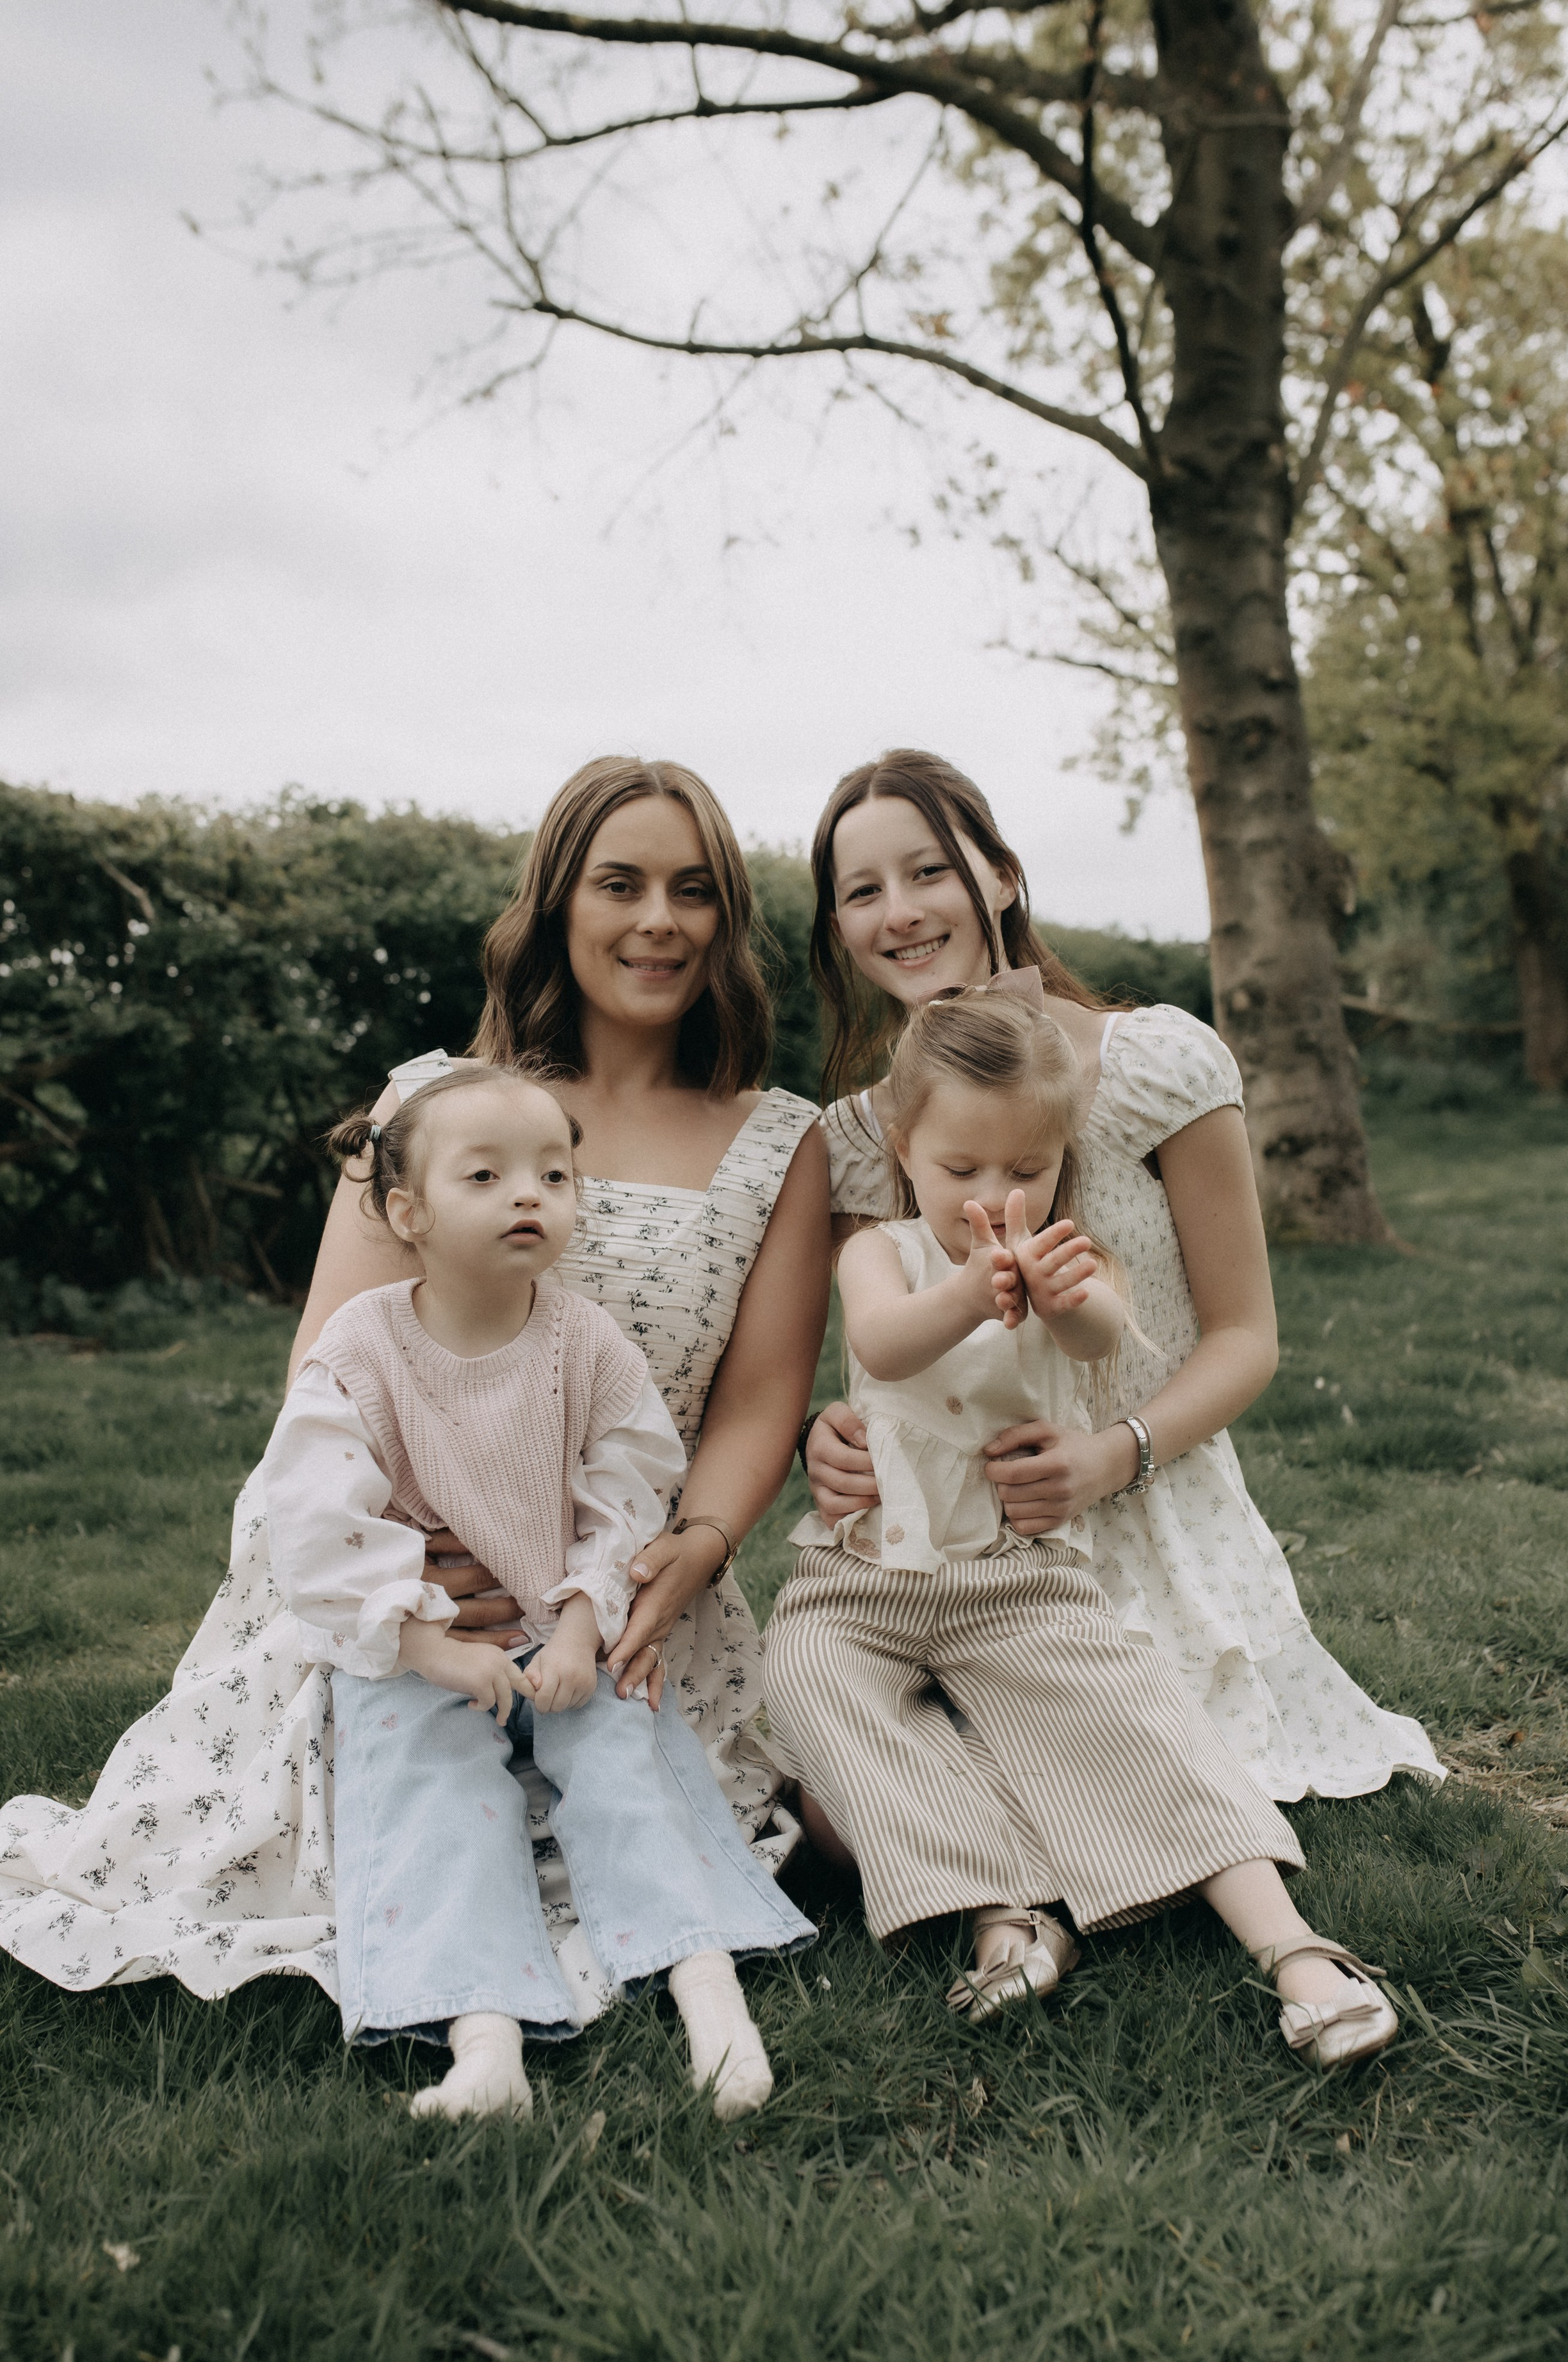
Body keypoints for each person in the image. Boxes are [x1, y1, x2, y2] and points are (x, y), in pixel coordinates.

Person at [0, 757, 830, 2019]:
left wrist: (694, 1548)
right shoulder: (428, 1102)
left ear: (726, 923)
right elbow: (329, 1370)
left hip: (620, 1563)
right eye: (620, 883)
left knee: (623, 1770)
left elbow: (761, 1399)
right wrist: (423, 1577)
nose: (658, 919)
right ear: (556, 905)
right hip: (400, 1542)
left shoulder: (780, 1137)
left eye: (694, 889)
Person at [763, 991, 1396, 2073]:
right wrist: (971, 1287)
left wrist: (1058, 1299)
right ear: (907, 1151)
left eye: (1028, 1169)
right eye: (963, 1171)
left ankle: (1295, 1953)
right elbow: (886, 1341)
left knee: (1138, 1716)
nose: (997, 1198)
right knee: (806, 1678)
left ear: (1062, 1156)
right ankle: (1001, 1910)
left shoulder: (1076, 1258)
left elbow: (1102, 1332)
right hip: (865, 1577)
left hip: (1020, 1578)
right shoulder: (879, 1252)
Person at [800, 748, 1444, 1808]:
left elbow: (1244, 1336)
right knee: (857, 1804)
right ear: (841, 928)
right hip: (961, 1536)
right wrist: (831, 1432)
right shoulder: (869, 1135)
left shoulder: (1155, 1065)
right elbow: (897, 1339)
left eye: (927, 872)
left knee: (1128, 1791)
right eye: (862, 892)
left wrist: (1111, 1457)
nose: (900, 912)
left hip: (1150, 1510)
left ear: (1002, 876)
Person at [267, 1061, 812, 2121]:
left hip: (557, 1618)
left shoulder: (581, 1338)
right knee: (428, 1786)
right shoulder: (365, 1345)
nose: (530, 1195)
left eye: (555, 1176)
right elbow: (317, 1510)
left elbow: (628, 1484)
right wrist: (426, 1643)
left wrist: (577, 1624)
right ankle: (484, 2043)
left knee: (624, 1760)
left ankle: (711, 1997)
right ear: (406, 1211)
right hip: (422, 1636)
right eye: (488, 1175)